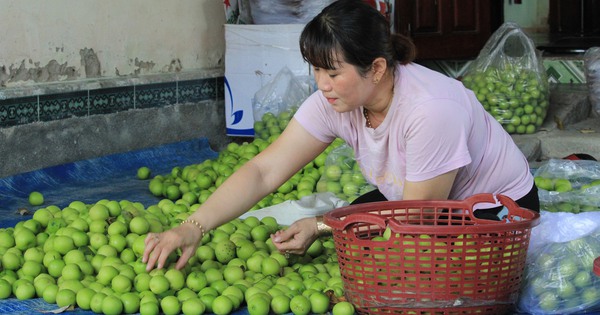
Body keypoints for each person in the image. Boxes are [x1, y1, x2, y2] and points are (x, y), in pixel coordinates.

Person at [143, 0, 539, 271]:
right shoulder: (338, 102)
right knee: (357, 218)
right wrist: (191, 226)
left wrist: (321, 225)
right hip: (419, 201)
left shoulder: (430, 110)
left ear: (378, 68)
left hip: (496, 207)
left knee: (410, 260)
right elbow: (264, 170)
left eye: (333, 73)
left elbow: (418, 217)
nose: (323, 85)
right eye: (316, 71)